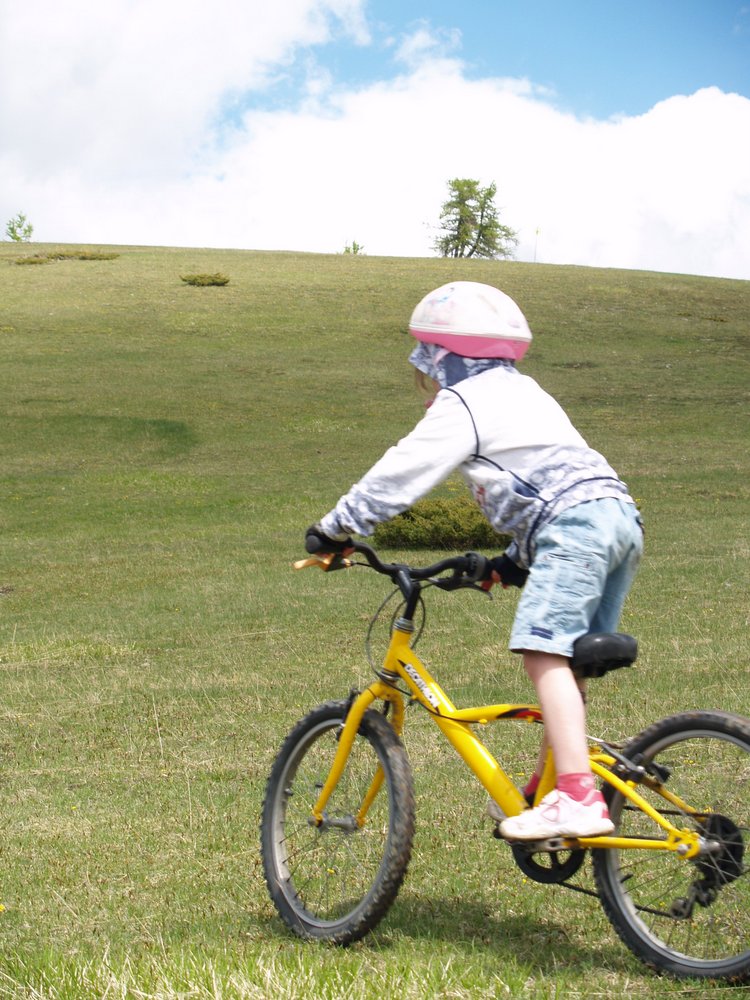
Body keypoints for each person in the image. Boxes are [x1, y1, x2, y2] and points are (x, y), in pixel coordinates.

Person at [305, 281, 643, 840]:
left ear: (445, 359)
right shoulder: (526, 392)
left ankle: (578, 796)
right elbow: (550, 480)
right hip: (616, 518)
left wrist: (335, 529)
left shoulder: (468, 401)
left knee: (542, 649)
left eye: (428, 371)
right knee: (569, 661)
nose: (428, 384)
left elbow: (400, 473)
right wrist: (509, 565)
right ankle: (547, 785)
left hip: (575, 524)